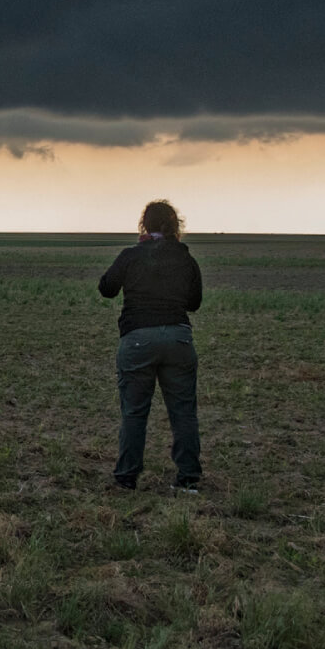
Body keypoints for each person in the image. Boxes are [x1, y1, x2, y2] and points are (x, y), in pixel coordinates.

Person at [98, 200, 204, 493]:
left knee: (134, 412)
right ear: (175, 226)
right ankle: (188, 480)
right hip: (178, 338)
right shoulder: (186, 259)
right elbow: (194, 303)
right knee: (183, 412)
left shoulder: (131, 256)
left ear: (144, 224)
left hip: (137, 338)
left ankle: (126, 478)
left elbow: (107, 288)